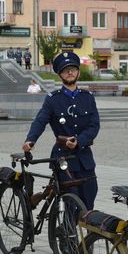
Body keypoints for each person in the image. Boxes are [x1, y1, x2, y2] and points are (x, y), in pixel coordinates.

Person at [22, 51, 100, 210]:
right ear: (60, 74)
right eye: (65, 70)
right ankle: (66, 231)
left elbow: (94, 125)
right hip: (62, 158)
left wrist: (79, 141)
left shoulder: (87, 97)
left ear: (78, 71)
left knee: (89, 200)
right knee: (70, 200)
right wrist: (30, 140)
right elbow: (40, 121)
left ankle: (75, 229)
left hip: (84, 158)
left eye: (73, 69)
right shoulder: (53, 99)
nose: (69, 72)